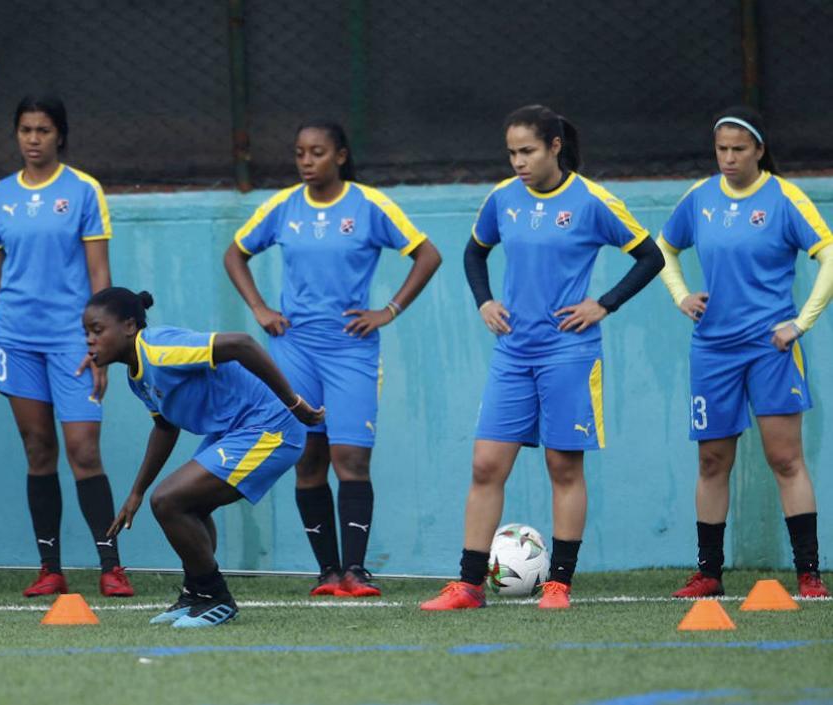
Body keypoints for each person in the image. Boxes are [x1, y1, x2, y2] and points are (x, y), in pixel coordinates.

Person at [420, 105, 663, 611]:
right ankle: (467, 585)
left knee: (562, 466)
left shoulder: (592, 201)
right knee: (486, 465)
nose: (518, 162)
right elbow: (474, 252)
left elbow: (650, 256)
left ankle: (558, 585)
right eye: (511, 152)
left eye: (527, 151)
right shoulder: (502, 198)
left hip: (569, 353)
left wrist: (604, 304)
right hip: (513, 353)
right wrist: (484, 301)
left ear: (555, 146)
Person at [223, 121, 441, 596]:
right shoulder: (283, 206)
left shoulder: (369, 205)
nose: (306, 161)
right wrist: (260, 308)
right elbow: (235, 254)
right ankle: (327, 573)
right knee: (308, 458)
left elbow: (428, 255)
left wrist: (388, 310)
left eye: (317, 152)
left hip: (350, 350)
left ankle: (356, 571)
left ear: (340, 156)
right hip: (294, 348)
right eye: (300, 152)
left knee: (351, 458)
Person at [657, 106, 832, 598]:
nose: (729, 158)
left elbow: (828, 254)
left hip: (769, 348)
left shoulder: (784, 198)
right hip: (713, 349)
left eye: (738, 149)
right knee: (712, 461)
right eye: (722, 149)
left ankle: (809, 575)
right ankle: (709, 574)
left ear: (759, 150)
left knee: (785, 458)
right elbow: (664, 249)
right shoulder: (700, 197)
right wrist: (681, 295)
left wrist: (800, 323)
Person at [89, 288, 324, 627]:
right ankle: (197, 593)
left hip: (270, 428)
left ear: (128, 326)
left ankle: (217, 598)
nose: (89, 340)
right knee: (186, 505)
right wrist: (137, 492)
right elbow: (165, 427)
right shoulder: (137, 378)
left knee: (169, 501)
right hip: (234, 430)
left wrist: (293, 402)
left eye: (97, 330)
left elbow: (242, 344)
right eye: (86, 332)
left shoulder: (159, 349)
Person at [0, 95, 133, 597]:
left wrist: (100, 343)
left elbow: (99, 273)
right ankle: (50, 568)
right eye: (25, 130)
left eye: (43, 130)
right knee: (38, 449)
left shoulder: (83, 190)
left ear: (60, 135)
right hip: (16, 341)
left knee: (83, 449)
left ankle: (111, 567)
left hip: (72, 341)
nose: (34, 139)